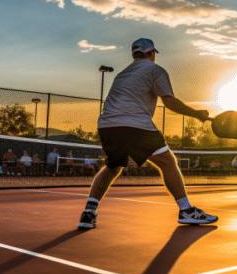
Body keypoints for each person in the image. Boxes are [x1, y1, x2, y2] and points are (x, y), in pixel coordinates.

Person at [77, 38, 217, 230]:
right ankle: (186, 210)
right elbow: (170, 102)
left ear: (134, 54)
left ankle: (88, 213)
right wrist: (197, 114)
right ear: (151, 53)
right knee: (168, 162)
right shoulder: (155, 70)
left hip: (108, 126)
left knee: (112, 167)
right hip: (134, 124)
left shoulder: (122, 74)